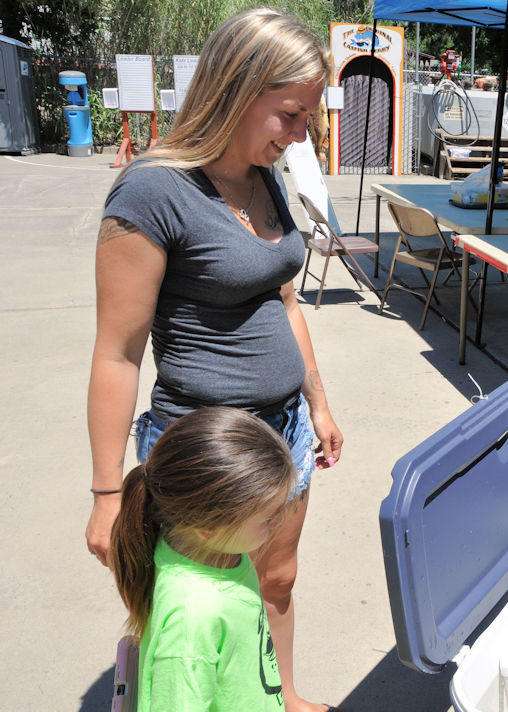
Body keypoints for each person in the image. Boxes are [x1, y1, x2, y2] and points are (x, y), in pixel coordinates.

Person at [86, 9, 342, 712]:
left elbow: (285, 300)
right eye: (290, 114)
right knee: (199, 605)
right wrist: (107, 495)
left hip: (284, 432)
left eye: (308, 117)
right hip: (209, 451)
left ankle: (280, 694)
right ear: (236, 88)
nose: (301, 136)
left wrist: (317, 403)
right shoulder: (152, 191)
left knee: (276, 579)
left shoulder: (264, 175)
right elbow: (117, 353)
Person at [110, 407, 296, 711]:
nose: (279, 523)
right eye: (268, 518)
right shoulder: (192, 619)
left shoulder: (212, 550)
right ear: (209, 527)